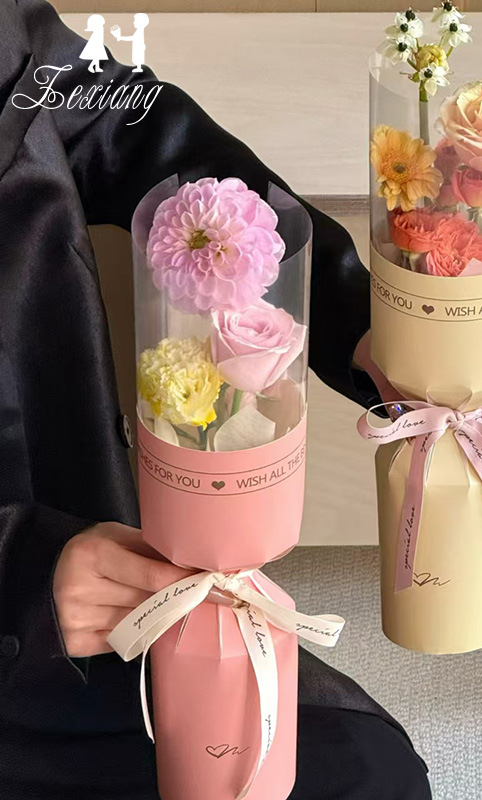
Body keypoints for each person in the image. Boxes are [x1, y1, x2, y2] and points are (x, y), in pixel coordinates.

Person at [0, 1, 428, 799]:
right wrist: (19, 576)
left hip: (99, 591)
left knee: (363, 775)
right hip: (31, 606)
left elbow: (131, 125)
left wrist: (354, 318)